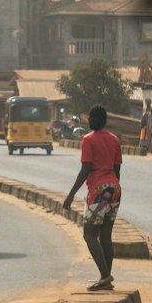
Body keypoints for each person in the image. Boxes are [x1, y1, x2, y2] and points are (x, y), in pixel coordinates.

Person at [63, 103, 123, 291]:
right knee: (106, 236)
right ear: (105, 121)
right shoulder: (115, 140)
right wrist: (113, 189)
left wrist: (71, 195)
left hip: (98, 191)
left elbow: (86, 169)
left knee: (89, 234)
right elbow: (117, 170)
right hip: (115, 188)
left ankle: (105, 275)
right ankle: (106, 279)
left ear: (89, 120)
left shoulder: (88, 140)